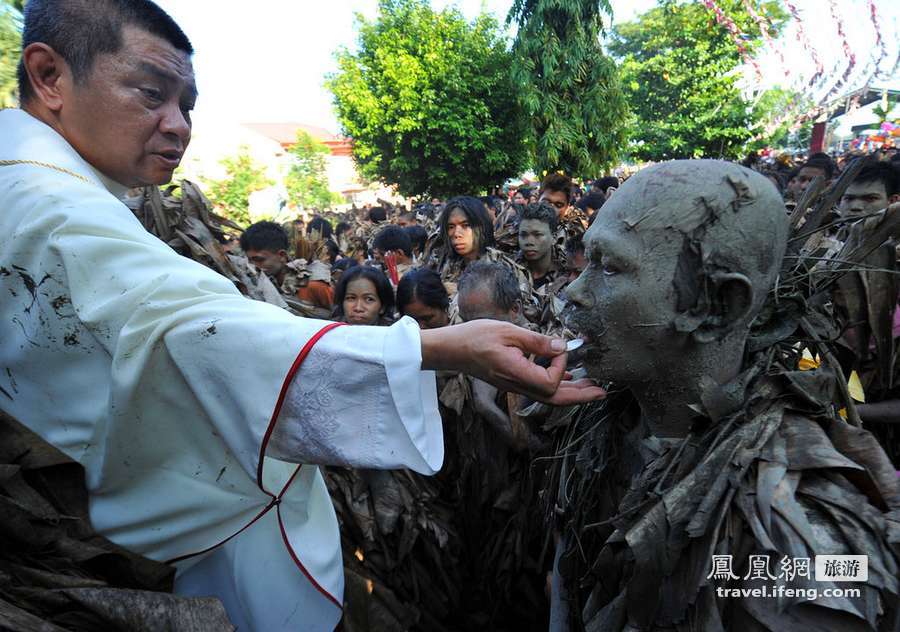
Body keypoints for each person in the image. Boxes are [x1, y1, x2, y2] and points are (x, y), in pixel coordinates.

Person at [0, 2, 603, 630]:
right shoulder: (46, 207)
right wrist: (437, 349)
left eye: (189, 106)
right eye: (152, 94)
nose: (178, 126)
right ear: (48, 76)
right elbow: (201, 335)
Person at [551, 160, 900, 631]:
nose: (574, 290)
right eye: (586, 260)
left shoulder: (801, 540)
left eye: (610, 267)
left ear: (717, 308)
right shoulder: (595, 426)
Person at [241, 220, 334, 318]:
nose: (253, 266)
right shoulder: (257, 287)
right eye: (250, 261)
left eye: (259, 260)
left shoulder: (313, 285)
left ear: (282, 255)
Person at [518, 201, 560, 290]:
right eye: (523, 235)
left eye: (537, 235)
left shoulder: (567, 273)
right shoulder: (509, 271)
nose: (529, 242)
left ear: (554, 237)